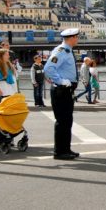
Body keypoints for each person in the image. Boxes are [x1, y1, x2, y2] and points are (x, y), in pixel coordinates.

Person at [43, 28, 81, 160]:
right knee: (62, 121)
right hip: (61, 90)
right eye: (77, 37)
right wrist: (60, 80)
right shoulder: (61, 51)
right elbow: (48, 68)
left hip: (66, 90)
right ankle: (59, 152)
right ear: (71, 38)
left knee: (67, 121)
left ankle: (66, 148)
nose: (78, 39)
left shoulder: (67, 51)